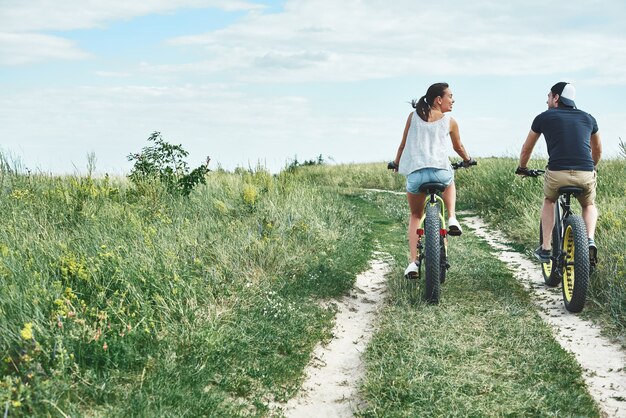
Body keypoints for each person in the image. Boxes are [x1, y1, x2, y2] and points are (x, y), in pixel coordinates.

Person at [391, 82, 473, 278]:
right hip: (440, 173)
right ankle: (452, 216)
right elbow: (459, 147)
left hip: (417, 175)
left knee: (416, 216)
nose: (453, 100)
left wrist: (395, 164)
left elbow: (402, 146)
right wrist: (467, 160)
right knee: (449, 179)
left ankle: (413, 262)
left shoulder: (413, 117)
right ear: (439, 99)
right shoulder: (450, 121)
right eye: (450, 96)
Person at [516, 82, 602, 264]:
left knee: (549, 200)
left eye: (548, 96)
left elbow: (527, 148)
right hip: (585, 173)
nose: (547, 100)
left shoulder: (544, 117)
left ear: (556, 98)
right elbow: (598, 150)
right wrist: (591, 167)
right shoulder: (588, 118)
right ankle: (589, 239)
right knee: (588, 205)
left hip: (557, 174)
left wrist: (522, 168)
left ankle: (546, 248)